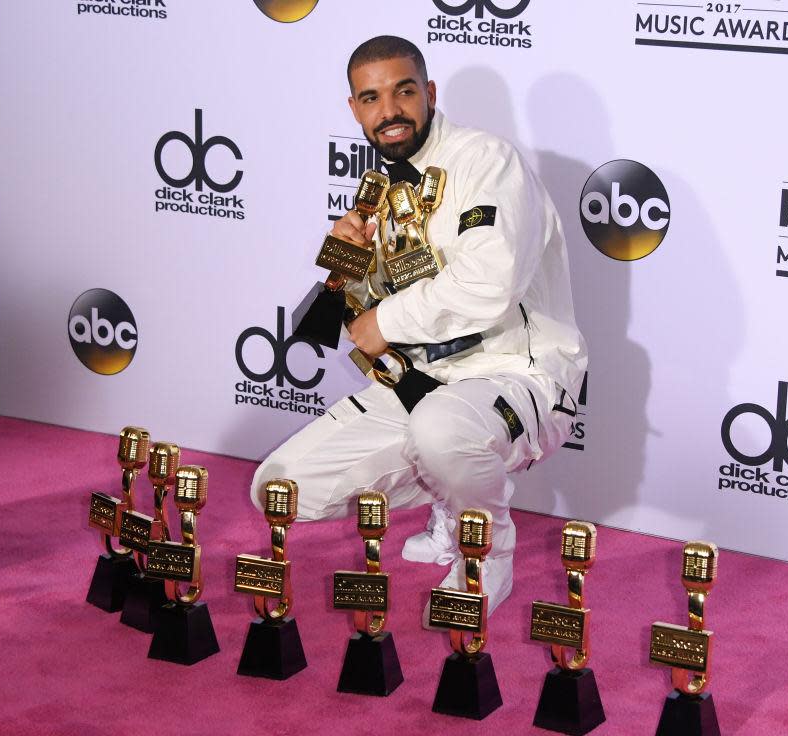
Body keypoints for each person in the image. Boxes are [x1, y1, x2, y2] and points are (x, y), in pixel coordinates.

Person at [250, 35, 587, 619]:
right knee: (278, 488)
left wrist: (387, 319)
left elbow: (489, 283)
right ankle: (448, 494)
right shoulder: (380, 190)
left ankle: (485, 550)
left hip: (517, 373)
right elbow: (363, 309)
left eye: (404, 91)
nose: (390, 111)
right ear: (354, 108)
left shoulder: (487, 162)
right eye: (371, 98)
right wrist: (345, 261)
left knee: (441, 429)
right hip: (421, 380)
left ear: (429, 93)